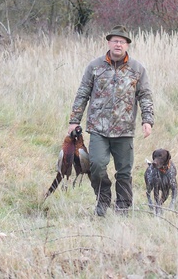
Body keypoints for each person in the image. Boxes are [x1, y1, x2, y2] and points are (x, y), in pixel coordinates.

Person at [68, 25, 154, 216]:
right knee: (97, 165)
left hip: (124, 130)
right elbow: (83, 93)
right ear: (108, 43)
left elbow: (145, 95)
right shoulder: (95, 66)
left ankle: (123, 207)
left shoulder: (137, 69)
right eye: (115, 40)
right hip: (99, 128)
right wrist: (74, 120)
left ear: (127, 46)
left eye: (122, 41)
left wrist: (147, 120)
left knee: (124, 171)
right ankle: (103, 198)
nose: (118, 44)